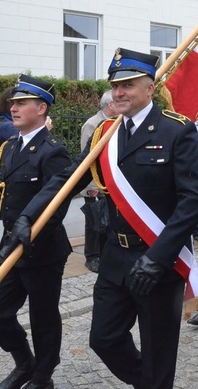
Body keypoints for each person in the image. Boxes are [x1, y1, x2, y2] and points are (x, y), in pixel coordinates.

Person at [16, 48, 198, 387]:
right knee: (103, 338)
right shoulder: (106, 133)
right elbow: (68, 178)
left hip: (158, 260)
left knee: (157, 351)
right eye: (116, 85)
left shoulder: (176, 131)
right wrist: (30, 216)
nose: (119, 92)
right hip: (115, 256)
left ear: (151, 87)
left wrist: (158, 258)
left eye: (129, 85)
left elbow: (192, 202)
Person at [0, 75, 72, 389]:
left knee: (43, 317)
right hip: (9, 245)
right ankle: (25, 364)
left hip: (42, 250)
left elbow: (57, 204)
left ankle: (43, 376)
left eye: (22, 103)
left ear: (41, 108)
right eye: (13, 102)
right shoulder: (9, 147)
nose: (13, 107)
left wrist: (28, 238)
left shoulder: (53, 152)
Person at [79, 90, 116, 273]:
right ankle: (91, 256)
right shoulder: (92, 124)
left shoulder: (114, 123)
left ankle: (103, 254)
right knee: (93, 222)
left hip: (108, 183)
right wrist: (92, 186)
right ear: (110, 105)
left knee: (105, 221)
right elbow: (87, 159)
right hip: (95, 183)